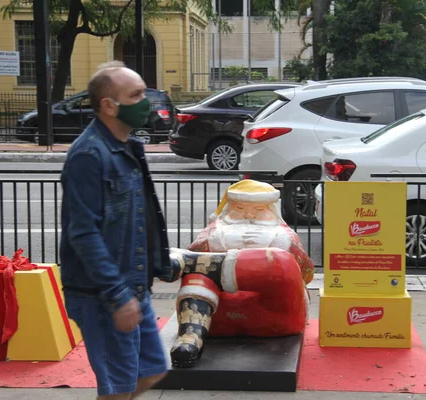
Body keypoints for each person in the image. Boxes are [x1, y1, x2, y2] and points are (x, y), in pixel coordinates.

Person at [59, 61, 182, 399]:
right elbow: (83, 233)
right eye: (137, 95)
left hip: (132, 286)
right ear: (109, 106)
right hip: (103, 295)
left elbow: (140, 217)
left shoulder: (130, 147)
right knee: (118, 386)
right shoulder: (88, 155)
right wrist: (117, 296)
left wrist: (157, 266)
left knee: (151, 371)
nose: (147, 102)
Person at [168, 179, 314, 367]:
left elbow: (307, 274)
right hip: (216, 315)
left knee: (281, 262)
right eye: (240, 208)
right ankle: (191, 337)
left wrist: (280, 245)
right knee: (197, 275)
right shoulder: (214, 233)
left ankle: (194, 262)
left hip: (274, 313)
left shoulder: (284, 236)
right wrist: (216, 243)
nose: (249, 215)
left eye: (259, 210)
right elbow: (196, 249)